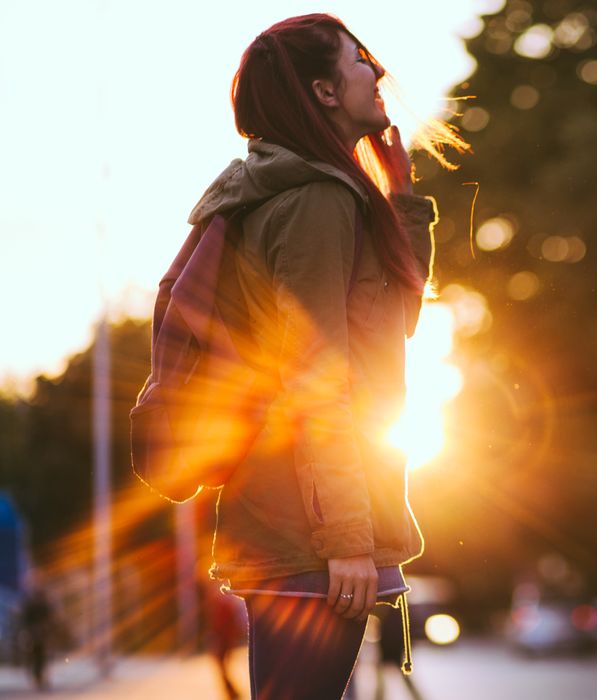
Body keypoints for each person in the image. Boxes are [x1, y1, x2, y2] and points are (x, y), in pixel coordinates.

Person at [188, 14, 464, 699]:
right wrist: (347, 538)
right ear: (324, 92)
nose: (376, 71)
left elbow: (388, 329)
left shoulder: (320, 195)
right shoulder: (314, 200)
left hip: (306, 528)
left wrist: (401, 206)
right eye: (358, 59)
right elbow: (316, 380)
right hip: (311, 535)